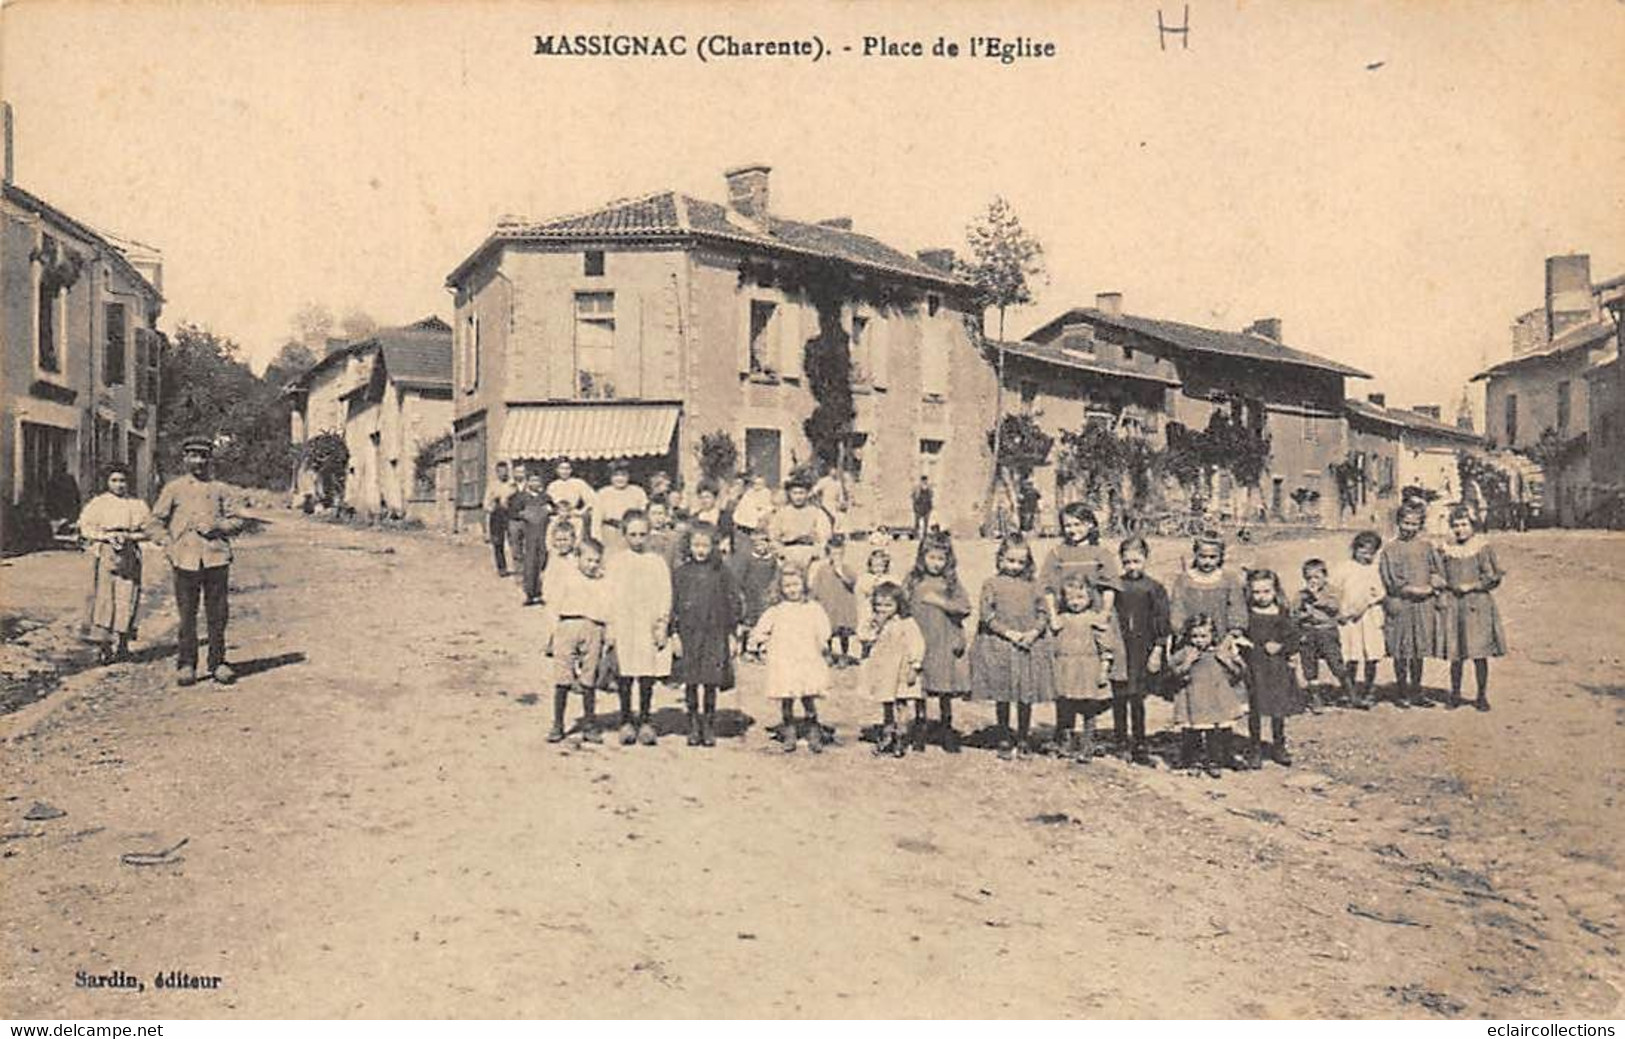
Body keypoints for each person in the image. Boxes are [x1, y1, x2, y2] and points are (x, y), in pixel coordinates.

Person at [146, 435, 245, 686]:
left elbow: (238, 521)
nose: (198, 461)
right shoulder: (174, 488)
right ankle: (187, 664)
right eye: (193, 456)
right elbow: (155, 522)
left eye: (203, 456)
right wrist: (167, 544)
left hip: (216, 559)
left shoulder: (221, 489)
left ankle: (218, 663)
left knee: (218, 614)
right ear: (185, 459)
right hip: (184, 560)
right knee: (187, 615)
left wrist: (217, 526)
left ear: (210, 459)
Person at [970, 534, 1055, 760]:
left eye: (1020, 562)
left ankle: (1024, 736)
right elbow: (986, 615)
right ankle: (1004, 735)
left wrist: (1034, 632)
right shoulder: (991, 584)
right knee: (1004, 692)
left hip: (1027, 645)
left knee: (1025, 693)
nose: (1015, 566)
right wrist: (1009, 633)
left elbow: (1043, 612)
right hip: (1001, 645)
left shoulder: (1034, 585)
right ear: (1000, 559)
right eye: (1010, 561)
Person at [748, 566, 834, 753]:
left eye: (796, 585)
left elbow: (823, 628)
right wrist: (758, 644)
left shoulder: (812, 608)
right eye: (787, 586)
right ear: (780, 588)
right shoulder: (777, 610)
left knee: (807, 695)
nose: (792, 589)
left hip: (807, 657)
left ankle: (813, 729)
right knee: (786, 696)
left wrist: (823, 642)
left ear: (804, 584)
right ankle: (789, 731)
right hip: (784, 658)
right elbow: (761, 629)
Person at [670, 523, 741, 747]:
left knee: (710, 680)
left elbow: (733, 604)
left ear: (714, 546)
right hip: (689, 634)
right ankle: (693, 724)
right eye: (696, 545)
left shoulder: (722, 572)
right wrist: (673, 634)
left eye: (705, 545)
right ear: (689, 546)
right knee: (691, 680)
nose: (700, 550)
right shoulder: (681, 573)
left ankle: (708, 725)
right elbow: (673, 605)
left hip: (714, 633)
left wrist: (732, 634)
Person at [607, 511, 672, 744]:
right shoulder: (616, 562)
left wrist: (662, 623)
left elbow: (665, 594)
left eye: (642, 534)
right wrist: (610, 626)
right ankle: (626, 719)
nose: (637, 539)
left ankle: (645, 719)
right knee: (625, 672)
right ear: (624, 535)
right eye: (632, 534)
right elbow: (609, 595)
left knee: (646, 672)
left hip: (647, 623)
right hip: (624, 622)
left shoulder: (656, 562)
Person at [905, 532, 973, 753]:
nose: (936, 564)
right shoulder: (913, 579)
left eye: (941, 559)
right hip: (920, 639)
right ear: (922, 556)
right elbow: (901, 603)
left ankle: (946, 728)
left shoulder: (951, 582)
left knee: (944, 686)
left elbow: (964, 607)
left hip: (943, 641)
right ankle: (920, 727)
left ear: (948, 560)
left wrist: (940, 602)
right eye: (931, 558)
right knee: (920, 686)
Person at [77, 463, 152, 664]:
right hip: (106, 552)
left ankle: (123, 644)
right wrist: (105, 537)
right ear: (107, 482)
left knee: (127, 597)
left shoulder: (137, 505)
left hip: (129, 554)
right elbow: (85, 527)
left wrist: (129, 536)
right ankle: (104, 646)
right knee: (104, 597)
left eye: (123, 481)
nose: (119, 485)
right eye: (114, 480)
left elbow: (150, 530)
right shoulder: (99, 503)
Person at [545, 537, 614, 744]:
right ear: (577, 558)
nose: (592, 565)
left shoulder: (603, 582)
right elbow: (552, 605)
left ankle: (590, 724)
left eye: (596, 561)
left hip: (593, 628)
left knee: (589, 677)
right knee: (563, 677)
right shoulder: (567, 578)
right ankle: (558, 723)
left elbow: (608, 608)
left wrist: (608, 632)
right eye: (588, 560)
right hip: (567, 626)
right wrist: (552, 632)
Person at [1437, 505, 1506, 711]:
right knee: (1456, 654)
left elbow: (1493, 577)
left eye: (1464, 525)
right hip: (1454, 604)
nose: (1460, 530)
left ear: (1473, 526)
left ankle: (1481, 695)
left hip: (1477, 604)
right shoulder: (1445, 549)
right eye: (1455, 525)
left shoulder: (1481, 547)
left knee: (1478, 652)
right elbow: (1440, 573)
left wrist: (1473, 585)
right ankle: (1455, 694)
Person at [1380, 501, 1445, 708]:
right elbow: (1390, 579)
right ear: (1398, 523)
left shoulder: (1427, 547)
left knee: (1418, 649)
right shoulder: (1390, 549)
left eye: (1414, 524)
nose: (1409, 528)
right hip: (1401, 604)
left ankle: (1416, 690)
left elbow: (1437, 570)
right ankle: (1401, 691)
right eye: (1405, 523)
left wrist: (1435, 582)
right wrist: (1413, 589)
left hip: (1423, 606)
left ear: (1420, 525)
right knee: (1402, 649)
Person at [1112, 537, 1169, 766]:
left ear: (1146, 559)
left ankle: (1139, 742)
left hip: (1143, 649)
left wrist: (1157, 649)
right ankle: (1120, 741)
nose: (1132, 567)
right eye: (1127, 562)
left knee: (1137, 697)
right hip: (1121, 648)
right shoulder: (1116, 586)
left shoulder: (1154, 588)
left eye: (1137, 561)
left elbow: (1162, 622)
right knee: (1119, 696)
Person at [1239, 569, 1304, 767]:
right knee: (1256, 708)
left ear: (1275, 590)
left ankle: (1279, 745)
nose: (1261, 597)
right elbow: (1241, 638)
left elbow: (1294, 638)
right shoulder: (1248, 615)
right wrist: (1250, 646)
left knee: (1278, 707)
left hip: (1278, 668)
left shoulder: (1282, 613)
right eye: (1256, 592)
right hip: (1256, 667)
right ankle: (1255, 747)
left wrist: (1282, 646)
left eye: (1266, 591)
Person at [1168, 614, 1246, 777]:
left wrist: (1231, 660)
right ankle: (1193, 760)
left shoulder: (1219, 652)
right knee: (1193, 731)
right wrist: (1188, 662)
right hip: (1194, 699)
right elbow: (1173, 672)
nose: (1199, 640)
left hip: (1216, 699)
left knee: (1215, 731)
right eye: (1194, 636)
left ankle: (1214, 761)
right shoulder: (1186, 652)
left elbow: (1239, 673)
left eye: (1204, 636)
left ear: (1213, 636)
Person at [1050, 575, 1113, 764]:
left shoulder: (1094, 620)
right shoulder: (1061, 620)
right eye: (1071, 599)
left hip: (1088, 670)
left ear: (1089, 598)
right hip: (1066, 669)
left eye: (1080, 598)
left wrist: (1103, 670)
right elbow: (1053, 647)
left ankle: (1088, 745)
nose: (1075, 603)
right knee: (1065, 707)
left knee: (1089, 709)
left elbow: (1105, 648)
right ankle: (1065, 743)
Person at [862, 581, 927, 757]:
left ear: (899, 604)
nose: (883, 609)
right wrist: (875, 627)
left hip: (902, 669)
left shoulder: (906, 622)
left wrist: (915, 666)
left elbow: (917, 644)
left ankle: (901, 737)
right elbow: (864, 638)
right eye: (879, 605)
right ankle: (887, 734)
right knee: (887, 702)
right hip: (884, 670)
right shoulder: (875, 621)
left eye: (888, 605)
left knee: (902, 703)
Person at [1331, 530, 1386, 709]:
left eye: (1370, 552)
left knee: (1371, 655)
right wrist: (1340, 611)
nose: (1366, 555)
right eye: (1362, 550)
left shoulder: (1374, 569)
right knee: (1350, 654)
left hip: (1368, 616)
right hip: (1348, 618)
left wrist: (1364, 605)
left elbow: (1380, 593)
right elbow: (1334, 590)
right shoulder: (1344, 568)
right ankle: (1350, 690)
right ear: (1354, 549)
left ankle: (1369, 689)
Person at [1293, 558, 1352, 711]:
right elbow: (1294, 614)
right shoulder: (1301, 595)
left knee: (1335, 662)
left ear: (1325, 577)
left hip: (1327, 631)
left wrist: (1316, 598)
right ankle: (1315, 697)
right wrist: (1301, 616)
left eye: (1316, 577)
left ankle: (1351, 692)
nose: (1312, 581)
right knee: (1309, 665)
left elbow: (1334, 608)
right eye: (1308, 578)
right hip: (1308, 632)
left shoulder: (1332, 591)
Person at [1169, 531, 1248, 641]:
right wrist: (1179, 631)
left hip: (1222, 639)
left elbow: (1237, 610)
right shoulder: (1184, 580)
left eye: (1212, 557)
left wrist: (1232, 636)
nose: (1207, 561)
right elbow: (1177, 610)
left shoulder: (1229, 579)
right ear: (1195, 554)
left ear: (1221, 556)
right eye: (1203, 556)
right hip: (1191, 639)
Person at [728, 526, 780, 657]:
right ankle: (747, 648)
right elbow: (739, 577)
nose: (760, 546)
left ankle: (761, 647)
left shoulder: (772, 560)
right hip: (750, 594)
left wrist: (772, 590)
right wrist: (741, 592)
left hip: (765, 594)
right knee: (749, 621)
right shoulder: (748, 559)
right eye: (757, 543)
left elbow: (776, 576)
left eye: (764, 542)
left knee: (764, 621)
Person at [809, 534, 859, 666]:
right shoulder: (822, 570)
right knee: (828, 631)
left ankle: (844, 654)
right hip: (828, 606)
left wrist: (841, 573)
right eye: (833, 554)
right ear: (828, 554)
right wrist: (814, 600)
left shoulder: (847, 568)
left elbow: (852, 582)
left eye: (839, 554)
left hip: (843, 606)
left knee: (844, 632)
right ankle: (829, 653)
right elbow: (816, 587)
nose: (836, 557)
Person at [769, 472, 831, 570]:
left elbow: (824, 536)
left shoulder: (816, 512)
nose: (798, 497)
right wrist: (781, 553)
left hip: (810, 553)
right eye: (795, 493)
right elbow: (773, 536)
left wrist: (816, 551)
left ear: (807, 494)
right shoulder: (782, 513)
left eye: (801, 493)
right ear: (789, 494)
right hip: (787, 552)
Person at [510, 471, 553, 605]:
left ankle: (540, 593)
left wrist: (549, 510)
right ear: (527, 482)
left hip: (543, 533)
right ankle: (529, 593)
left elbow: (554, 509)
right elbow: (514, 514)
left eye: (537, 480)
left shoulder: (545, 497)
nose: (535, 483)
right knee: (530, 563)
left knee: (543, 562)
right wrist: (525, 515)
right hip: (529, 534)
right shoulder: (521, 497)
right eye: (532, 480)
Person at [594, 460, 648, 555]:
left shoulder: (638, 492)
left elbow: (643, 515)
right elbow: (596, 519)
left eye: (623, 475)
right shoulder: (603, 493)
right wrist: (597, 538)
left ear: (628, 476)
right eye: (616, 475)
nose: (620, 479)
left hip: (632, 534)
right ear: (610, 477)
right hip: (610, 533)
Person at [853, 547, 894, 655]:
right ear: (870, 566)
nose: (878, 569)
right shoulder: (865, 578)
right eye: (875, 566)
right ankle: (865, 652)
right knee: (868, 631)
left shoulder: (888, 578)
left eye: (881, 566)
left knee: (883, 633)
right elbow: (861, 590)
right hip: (868, 609)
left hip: (883, 610)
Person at [546, 457, 595, 541]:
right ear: (557, 470)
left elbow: (591, 500)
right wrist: (553, 511)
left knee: (577, 529)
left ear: (571, 470)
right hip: (557, 516)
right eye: (561, 468)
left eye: (567, 469)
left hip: (573, 515)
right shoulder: (552, 485)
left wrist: (581, 512)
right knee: (551, 533)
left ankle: (576, 549)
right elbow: (547, 503)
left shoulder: (578, 483)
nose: (564, 471)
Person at [483, 461, 517, 576]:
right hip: (497, 515)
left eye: (505, 471)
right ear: (496, 473)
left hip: (510, 514)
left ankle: (517, 566)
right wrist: (493, 504)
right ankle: (502, 568)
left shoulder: (513, 485)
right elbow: (486, 504)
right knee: (498, 542)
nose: (503, 474)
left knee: (514, 540)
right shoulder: (492, 485)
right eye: (500, 471)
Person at [731, 473, 774, 555]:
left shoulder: (766, 493)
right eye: (755, 483)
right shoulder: (748, 494)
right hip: (746, 526)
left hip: (761, 526)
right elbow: (743, 509)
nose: (757, 486)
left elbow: (768, 508)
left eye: (760, 484)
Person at [45, 460, 82, 539]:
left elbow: (75, 495)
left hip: (62, 509)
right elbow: (76, 495)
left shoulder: (53, 479)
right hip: (64, 509)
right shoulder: (65, 479)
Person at [912, 476, 934, 541]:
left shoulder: (929, 489)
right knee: (917, 523)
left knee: (925, 523)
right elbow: (913, 497)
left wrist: (930, 508)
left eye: (925, 481)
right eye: (923, 481)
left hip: (926, 508)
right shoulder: (917, 489)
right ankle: (916, 535)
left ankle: (924, 536)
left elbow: (931, 497)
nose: (924, 482)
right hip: (919, 508)